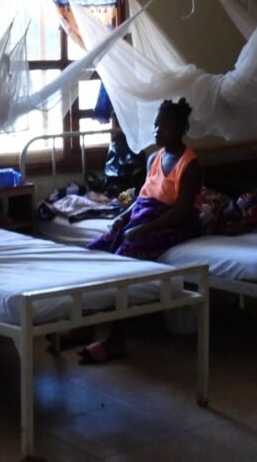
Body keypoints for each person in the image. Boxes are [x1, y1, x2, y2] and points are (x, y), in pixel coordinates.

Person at [79, 98, 203, 363]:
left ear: (180, 128)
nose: (156, 132)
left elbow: (181, 211)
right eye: (156, 126)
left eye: (164, 126)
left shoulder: (189, 164)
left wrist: (142, 229)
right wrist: (122, 219)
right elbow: (141, 198)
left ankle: (116, 341)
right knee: (94, 251)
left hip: (174, 222)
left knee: (122, 263)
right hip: (145, 214)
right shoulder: (154, 159)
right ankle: (84, 325)